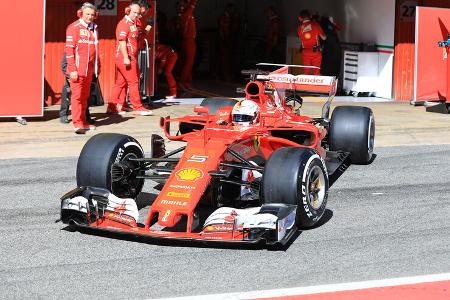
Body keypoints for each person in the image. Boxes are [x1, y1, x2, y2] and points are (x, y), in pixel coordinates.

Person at [108, 1, 153, 116]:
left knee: (120, 83)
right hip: (126, 56)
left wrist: (147, 29)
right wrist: (125, 57)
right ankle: (137, 107)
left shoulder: (133, 23)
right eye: (135, 13)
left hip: (129, 56)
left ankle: (112, 107)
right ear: (128, 11)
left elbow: (138, 38)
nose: (137, 15)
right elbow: (122, 41)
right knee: (134, 82)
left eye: (138, 13)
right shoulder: (124, 23)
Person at [65, 2, 100, 134]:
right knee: (77, 97)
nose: (90, 17)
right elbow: (69, 50)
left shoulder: (94, 28)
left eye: (92, 14)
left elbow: (96, 50)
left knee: (85, 97)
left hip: (89, 70)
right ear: (81, 13)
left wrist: (98, 67)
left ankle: (84, 122)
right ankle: (77, 123)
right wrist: (72, 69)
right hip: (77, 71)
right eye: (87, 14)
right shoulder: (74, 27)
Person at [59, 52, 95, 124]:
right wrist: (69, 76)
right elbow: (64, 66)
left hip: (83, 77)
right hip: (72, 76)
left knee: (84, 96)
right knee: (67, 91)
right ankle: (63, 115)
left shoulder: (85, 50)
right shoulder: (69, 51)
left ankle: (86, 116)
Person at [297, 9, 326, 75]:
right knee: (316, 73)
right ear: (310, 16)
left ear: (300, 18)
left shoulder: (299, 28)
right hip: (316, 52)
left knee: (306, 73)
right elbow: (324, 38)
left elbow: (304, 36)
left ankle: (306, 85)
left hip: (305, 53)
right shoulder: (315, 25)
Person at [177, 0, 197, 90]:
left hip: (187, 41)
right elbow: (193, 3)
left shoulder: (184, 15)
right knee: (189, 62)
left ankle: (187, 81)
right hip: (189, 41)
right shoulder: (186, 14)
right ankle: (183, 81)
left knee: (187, 62)